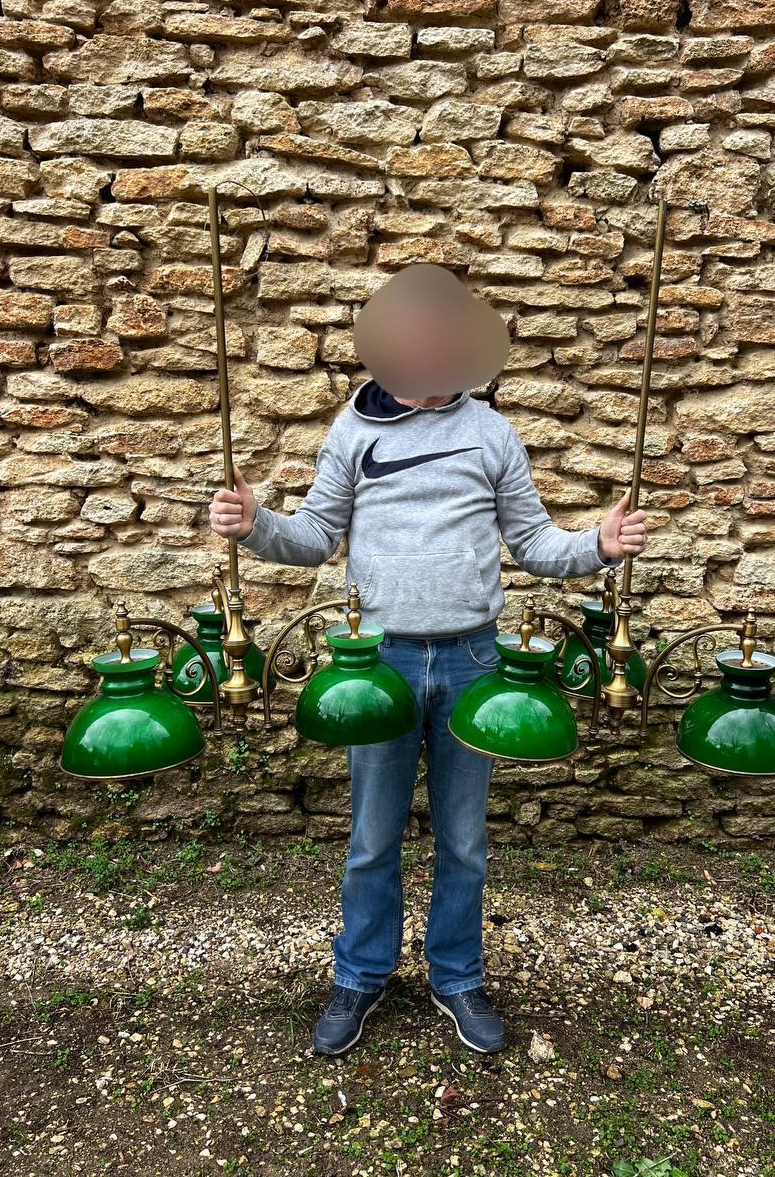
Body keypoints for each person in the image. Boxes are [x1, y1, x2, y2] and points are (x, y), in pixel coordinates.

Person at [208, 266, 649, 1058]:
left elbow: (534, 543)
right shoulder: (353, 432)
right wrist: (255, 524)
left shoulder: (491, 433)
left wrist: (600, 544)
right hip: (378, 664)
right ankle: (360, 974)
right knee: (373, 838)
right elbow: (314, 537)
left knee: (465, 840)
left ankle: (457, 975)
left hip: (476, 660)